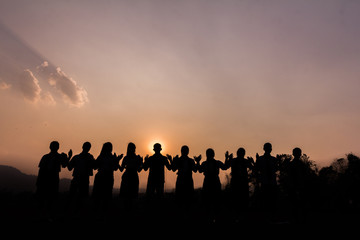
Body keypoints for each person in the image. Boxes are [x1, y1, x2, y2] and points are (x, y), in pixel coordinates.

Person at [36, 141, 72, 209]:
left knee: (45, 198)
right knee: (49, 198)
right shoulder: (58, 156)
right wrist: (69, 157)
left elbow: (41, 170)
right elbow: (65, 165)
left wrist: (69, 157)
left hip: (49, 178)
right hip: (51, 178)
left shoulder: (46, 157)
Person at [92, 142, 123, 209]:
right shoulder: (110, 157)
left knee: (99, 198)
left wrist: (117, 160)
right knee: (105, 198)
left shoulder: (101, 156)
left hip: (103, 177)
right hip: (107, 178)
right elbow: (115, 168)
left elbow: (95, 167)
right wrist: (117, 160)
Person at [254, 142, 279, 211]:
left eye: (269, 148)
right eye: (268, 148)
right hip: (264, 182)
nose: (269, 149)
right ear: (264, 149)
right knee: (265, 202)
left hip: (272, 182)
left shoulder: (273, 159)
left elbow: (276, 169)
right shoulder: (260, 159)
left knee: (272, 202)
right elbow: (257, 169)